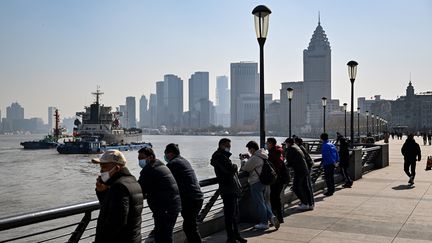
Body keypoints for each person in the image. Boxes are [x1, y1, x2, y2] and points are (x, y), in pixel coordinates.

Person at [92, 149, 143, 243]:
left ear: (117, 168)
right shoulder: (132, 181)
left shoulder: (119, 187)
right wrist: (102, 192)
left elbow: (116, 222)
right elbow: (113, 208)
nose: (101, 170)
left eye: (104, 166)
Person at [137, 147, 181, 243]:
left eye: (142, 158)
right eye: (139, 159)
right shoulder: (160, 165)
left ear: (150, 157)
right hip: (172, 206)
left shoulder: (149, 169)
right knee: (165, 235)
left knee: (163, 237)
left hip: (165, 209)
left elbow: (139, 188)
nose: (140, 161)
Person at [164, 143, 204, 243]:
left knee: (190, 228)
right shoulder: (184, 161)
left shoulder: (173, 164)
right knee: (191, 227)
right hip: (197, 197)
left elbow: (165, 181)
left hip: (189, 199)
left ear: (170, 154)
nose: (165, 156)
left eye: (166, 153)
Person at [210, 138, 247, 243]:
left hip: (231, 188)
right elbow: (230, 169)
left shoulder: (223, 156)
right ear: (221, 145)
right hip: (227, 188)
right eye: (227, 145)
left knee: (235, 213)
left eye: (229, 146)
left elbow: (229, 169)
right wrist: (235, 166)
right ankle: (230, 237)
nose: (229, 148)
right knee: (230, 214)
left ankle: (236, 235)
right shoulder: (218, 156)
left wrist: (233, 167)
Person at [241, 141, 279, 230]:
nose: (249, 151)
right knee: (265, 202)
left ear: (252, 149)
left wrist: (243, 161)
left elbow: (246, 168)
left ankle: (264, 222)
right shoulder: (263, 155)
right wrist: (249, 158)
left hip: (256, 182)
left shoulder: (254, 158)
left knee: (259, 203)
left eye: (249, 149)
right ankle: (272, 217)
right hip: (265, 182)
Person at [285, 138, 314, 210]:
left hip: (299, 170)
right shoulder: (297, 147)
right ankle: (310, 204)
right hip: (305, 169)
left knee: (295, 188)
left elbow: (289, 161)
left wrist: (285, 166)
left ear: (288, 143)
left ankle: (304, 203)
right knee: (306, 187)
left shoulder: (291, 148)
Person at [266, 137, 286, 223]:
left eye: (267, 143)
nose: (266, 144)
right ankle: (279, 218)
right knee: (276, 198)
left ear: (271, 143)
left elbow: (271, 166)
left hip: (276, 179)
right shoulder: (279, 151)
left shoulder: (273, 153)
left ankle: (275, 218)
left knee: (273, 198)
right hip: (281, 178)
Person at [294, 137, 315, 207]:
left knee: (306, 186)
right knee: (306, 186)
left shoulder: (299, 149)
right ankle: (310, 202)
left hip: (305, 169)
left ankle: (309, 202)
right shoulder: (302, 148)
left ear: (297, 142)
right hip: (307, 168)